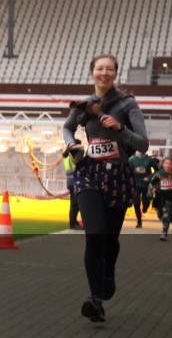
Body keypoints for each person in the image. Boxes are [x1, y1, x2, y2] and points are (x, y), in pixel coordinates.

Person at [63, 54, 149, 323]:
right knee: (94, 234)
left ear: (115, 73)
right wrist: (72, 144)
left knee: (109, 240)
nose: (104, 73)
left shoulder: (127, 104)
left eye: (109, 69)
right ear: (92, 72)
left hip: (119, 176)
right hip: (89, 173)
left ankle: (108, 271)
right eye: (99, 68)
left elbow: (143, 144)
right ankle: (95, 299)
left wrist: (120, 128)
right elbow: (66, 128)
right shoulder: (84, 105)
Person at [150, 157, 172, 241]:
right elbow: (151, 184)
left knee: (166, 214)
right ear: (163, 164)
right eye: (166, 163)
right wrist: (151, 192)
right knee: (160, 214)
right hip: (159, 198)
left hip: (169, 198)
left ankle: (164, 233)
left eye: (170, 164)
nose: (168, 165)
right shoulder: (158, 174)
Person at [128, 150, 156, 228]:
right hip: (135, 184)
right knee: (136, 203)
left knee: (146, 202)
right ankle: (139, 221)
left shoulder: (150, 160)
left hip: (146, 185)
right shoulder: (131, 159)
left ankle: (145, 208)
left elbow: (157, 171)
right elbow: (127, 171)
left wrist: (149, 177)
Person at [64, 152, 81, 229]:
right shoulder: (73, 157)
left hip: (70, 182)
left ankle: (73, 222)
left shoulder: (67, 157)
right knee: (75, 204)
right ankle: (73, 223)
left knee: (74, 204)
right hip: (74, 182)